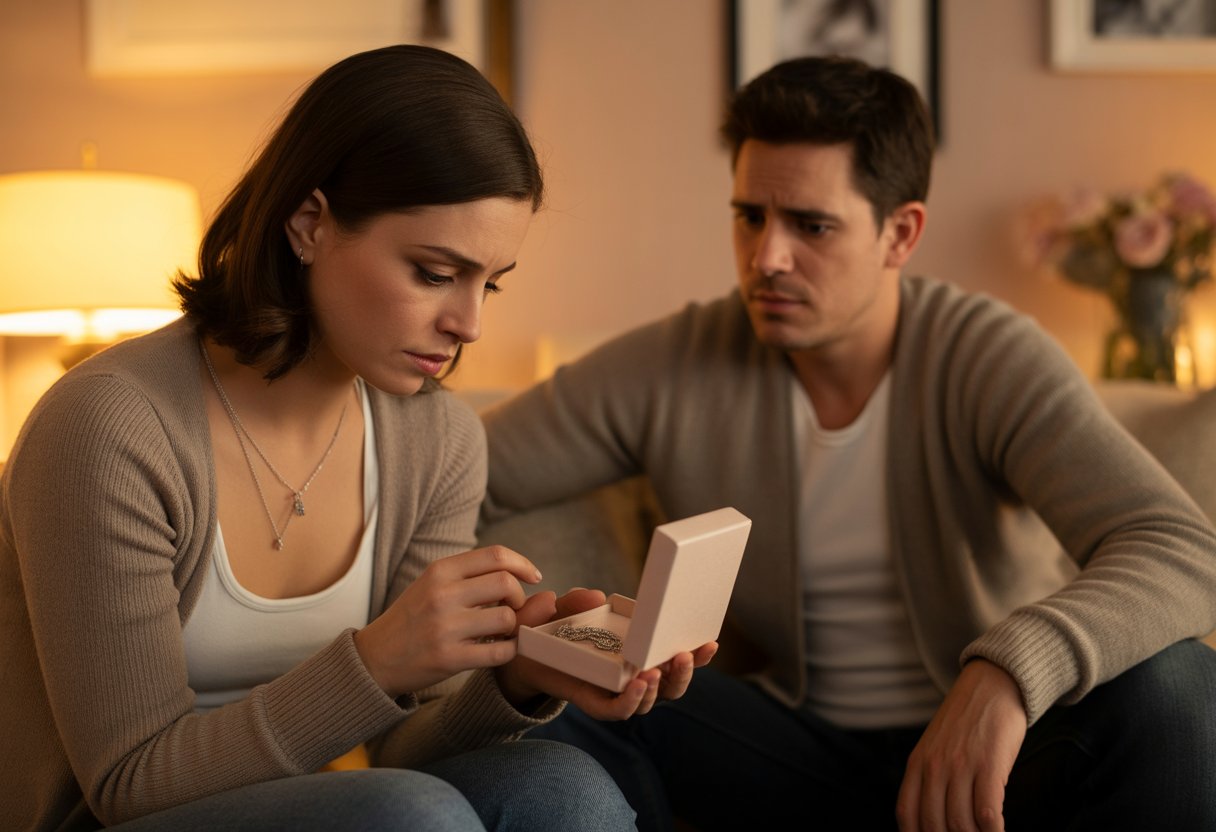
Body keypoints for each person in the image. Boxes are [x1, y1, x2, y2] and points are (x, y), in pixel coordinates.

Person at [480, 55, 1216, 830]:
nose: (767, 257)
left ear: (901, 233)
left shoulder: (985, 355)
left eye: (811, 225)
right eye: (750, 216)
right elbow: (457, 471)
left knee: (1179, 682)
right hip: (793, 759)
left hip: (995, 763)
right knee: (552, 700)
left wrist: (1007, 670)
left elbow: (1180, 547)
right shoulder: (676, 363)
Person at [0, 44, 712, 832]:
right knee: (411, 814)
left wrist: (520, 678)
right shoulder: (111, 427)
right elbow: (125, 782)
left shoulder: (435, 439)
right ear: (309, 225)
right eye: (435, 273)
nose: (468, 324)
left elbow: (408, 746)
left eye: (489, 282)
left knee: (562, 787)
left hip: (352, 807)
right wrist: (375, 659)